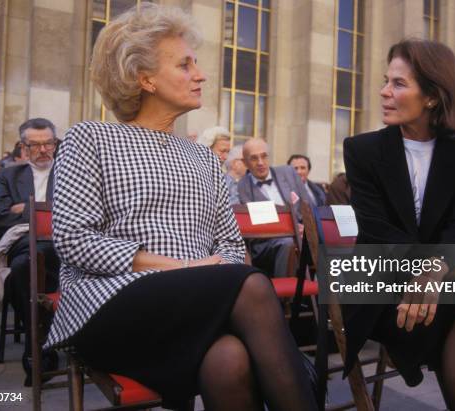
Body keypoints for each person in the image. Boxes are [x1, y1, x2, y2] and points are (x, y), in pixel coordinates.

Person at [45, 5, 316, 410]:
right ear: (145, 78)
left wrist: (206, 274)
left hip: (198, 307)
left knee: (230, 359)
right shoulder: (91, 139)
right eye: (185, 64)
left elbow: (227, 241)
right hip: (112, 304)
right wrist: (187, 269)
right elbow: (73, 240)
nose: (201, 74)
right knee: (253, 285)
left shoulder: (205, 159)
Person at [342, 39, 455, 410]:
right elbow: (377, 231)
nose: (384, 92)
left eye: (399, 84)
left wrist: (434, 271)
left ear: (432, 96)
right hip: (380, 284)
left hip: (441, 281)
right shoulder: (362, 149)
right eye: (386, 81)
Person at [0, 118, 60, 386]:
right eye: (36, 145)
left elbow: (75, 215)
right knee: (23, 267)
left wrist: (24, 208)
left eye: (49, 143)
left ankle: (37, 350)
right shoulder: (9, 175)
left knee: (37, 261)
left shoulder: (70, 173)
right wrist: (43, 211)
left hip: (60, 248)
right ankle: (44, 343)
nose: (43, 150)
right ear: (23, 146)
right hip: (22, 246)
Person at [238, 138, 311, 276]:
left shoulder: (288, 172)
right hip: (265, 242)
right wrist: (291, 231)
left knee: (326, 240)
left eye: (264, 156)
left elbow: (307, 206)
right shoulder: (242, 186)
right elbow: (253, 228)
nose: (260, 163)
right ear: (245, 162)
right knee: (288, 243)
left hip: (300, 233)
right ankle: (286, 296)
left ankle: (331, 291)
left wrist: (305, 227)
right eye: (254, 158)